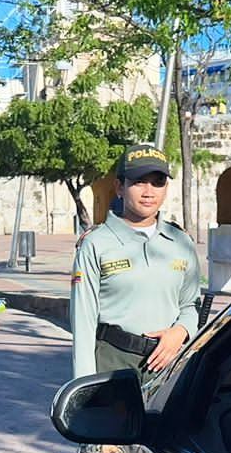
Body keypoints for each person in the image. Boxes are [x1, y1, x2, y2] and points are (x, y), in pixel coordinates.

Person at [70, 145, 202, 379]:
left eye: (157, 182)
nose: (149, 191)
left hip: (168, 363)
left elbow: (190, 305)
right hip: (113, 362)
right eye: (139, 182)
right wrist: (84, 386)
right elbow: (83, 320)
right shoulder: (96, 243)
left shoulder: (181, 242)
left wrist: (180, 332)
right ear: (120, 187)